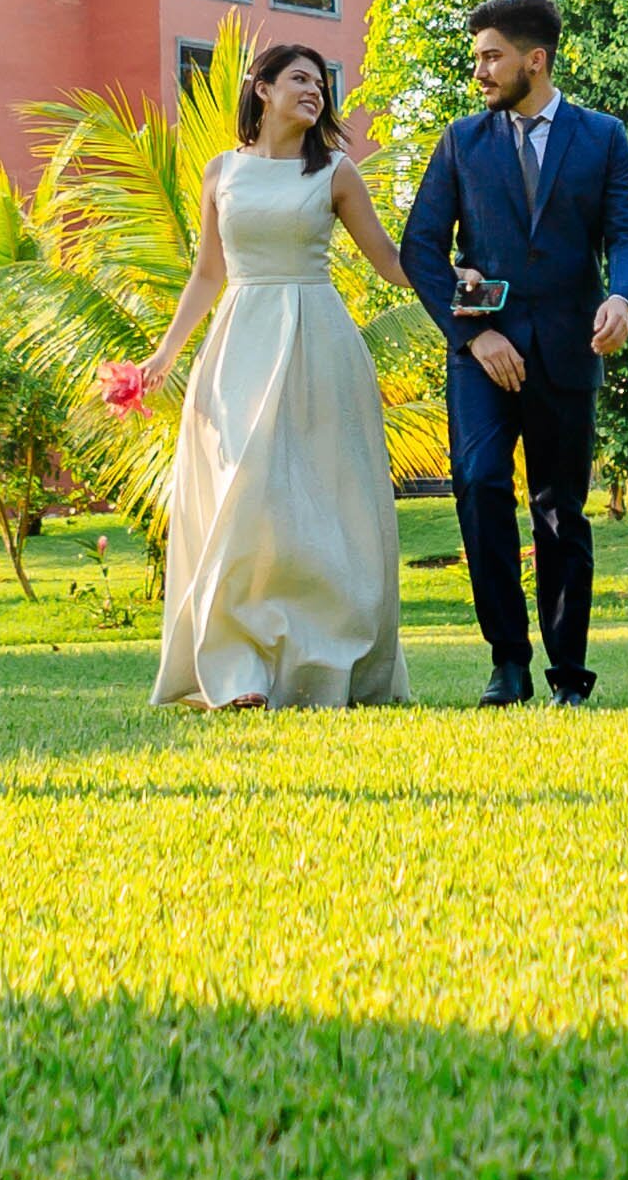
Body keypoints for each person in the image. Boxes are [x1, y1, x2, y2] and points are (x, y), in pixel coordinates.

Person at [116, 44, 412, 709]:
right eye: (299, 79)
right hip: (239, 342)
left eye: (320, 82)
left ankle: (322, 660)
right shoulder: (221, 171)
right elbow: (207, 273)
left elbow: (388, 260)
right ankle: (235, 668)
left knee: (319, 507)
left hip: (319, 343)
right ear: (263, 87)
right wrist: (162, 357)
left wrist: (454, 279)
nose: (314, 90)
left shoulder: (335, 172)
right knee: (238, 500)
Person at [399, 0, 628, 705]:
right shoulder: (459, 140)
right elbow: (420, 247)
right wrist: (472, 333)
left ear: (533, 60)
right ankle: (506, 660)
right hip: (482, 350)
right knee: (480, 485)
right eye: (477, 56)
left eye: (490, 56)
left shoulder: (603, 137)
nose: (478, 69)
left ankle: (568, 672)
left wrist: (621, 297)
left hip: (570, 345)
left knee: (559, 509)